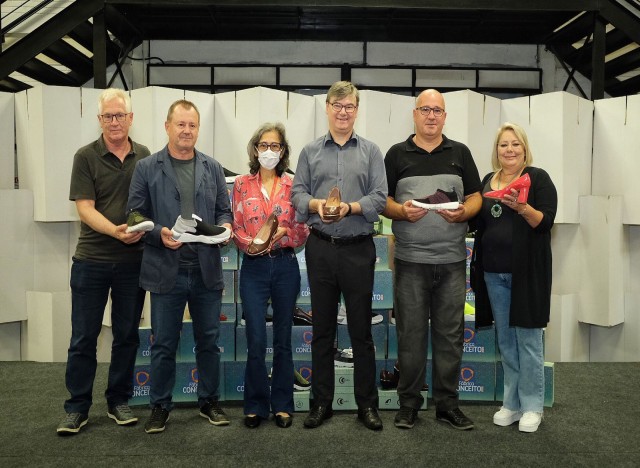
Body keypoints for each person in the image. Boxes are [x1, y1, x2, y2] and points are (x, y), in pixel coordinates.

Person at [126, 99, 233, 434]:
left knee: (209, 341)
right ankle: (160, 406)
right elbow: (135, 214)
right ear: (167, 126)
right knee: (163, 344)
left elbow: (224, 211)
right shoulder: (146, 167)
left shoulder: (213, 167)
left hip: (205, 270)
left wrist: (226, 228)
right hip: (165, 270)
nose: (187, 131)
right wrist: (159, 233)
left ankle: (209, 401)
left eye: (192, 125)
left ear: (198, 129)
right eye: (181, 124)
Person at [383, 89, 482, 430]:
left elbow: (476, 196)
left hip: (452, 261)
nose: (431, 115)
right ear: (414, 114)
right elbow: (383, 201)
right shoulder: (396, 154)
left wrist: (464, 212)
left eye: (437, 110)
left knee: (450, 336)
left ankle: (447, 405)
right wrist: (401, 211)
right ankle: (409, 404)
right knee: (410, 335)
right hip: (410, 261)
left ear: (444, 116)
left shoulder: (460, 152)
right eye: (425, 109)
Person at [291, 81, 388, 431]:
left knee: (361, 332)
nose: (343, 112)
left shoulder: (372, 152)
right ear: (327, 108)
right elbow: (297, 195)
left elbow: (380, 197)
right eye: (337, 105)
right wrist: (317, 204)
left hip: (358, 249)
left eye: (349, 106)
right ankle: (321, 403)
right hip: (320, 248)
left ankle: (367, 405)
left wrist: (350, 207)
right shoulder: (309, 152)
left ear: (356, 110)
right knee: (322, 331)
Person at [57, 88, 150, 435]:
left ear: (130, 118)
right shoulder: (85, 156)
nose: (114, 122)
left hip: (133, 263)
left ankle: (118, 401)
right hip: (91, 261)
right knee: (84, 337)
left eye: (119, 115)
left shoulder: (145, 156)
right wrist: (116, 231)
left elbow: (150, 203)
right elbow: (84, 208)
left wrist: (144, 228)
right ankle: (77, 407)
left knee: (126, 336)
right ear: (99, 120)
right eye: (108, 116)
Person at [470, 122, 557, 433]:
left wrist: (522, 207)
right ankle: (512, 403)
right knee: (506, 342)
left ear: (524, 148)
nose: (509, 150)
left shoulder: (539, 178)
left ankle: (532, 406)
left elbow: (545, 222)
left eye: (515, 144)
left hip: (527, 274)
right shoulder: (486, 181)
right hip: (493, 274)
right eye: (503, 144)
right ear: (496, 150)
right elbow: (478, 223)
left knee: (529, 342)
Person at [232, 122, 309, 429]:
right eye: (263, 145)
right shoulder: (241, 184)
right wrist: (252, 244)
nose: (268, 151)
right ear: (255, 150)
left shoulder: (294, 186)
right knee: (255, 338)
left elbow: (302, 230)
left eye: (274, 146)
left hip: (285, 265)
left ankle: (282, 405)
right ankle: (254, 405)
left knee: (283, 339)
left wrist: (285, 233)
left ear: (283, 151)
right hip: (254, 268)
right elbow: (236, 226)